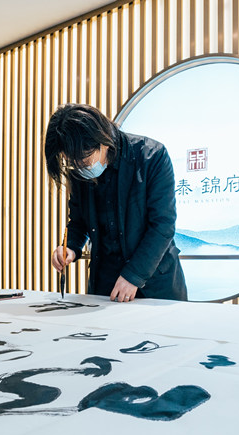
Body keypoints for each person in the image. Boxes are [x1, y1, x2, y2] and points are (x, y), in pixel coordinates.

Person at [44, 103, 187, 303]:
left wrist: (133, 275)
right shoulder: (79, 170)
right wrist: (70, 248)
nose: (80, 169)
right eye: (73, 163)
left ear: (103, 141)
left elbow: (162, 226)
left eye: (84, 162)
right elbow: (78, 222)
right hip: (105, 285)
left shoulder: (152, 156)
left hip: (154, 283)